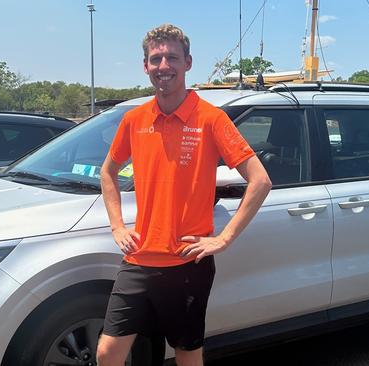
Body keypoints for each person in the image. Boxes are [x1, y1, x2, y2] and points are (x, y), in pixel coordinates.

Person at [97, 24, 272, 366]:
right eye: (156, 58)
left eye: (172, 57)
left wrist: (223, 239)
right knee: (107, 352)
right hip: (138, 261)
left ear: (188, 62)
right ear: (145, 66)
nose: (164, 66)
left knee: (187, 355)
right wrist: (118, 227)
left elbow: (260, 180)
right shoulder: (134, 119)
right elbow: (107, 173)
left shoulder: (211, 119)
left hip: (187, 263)